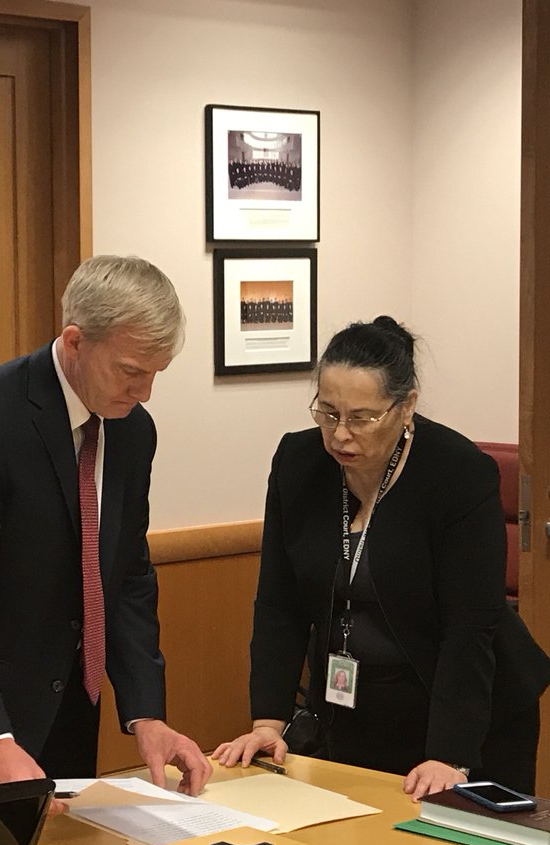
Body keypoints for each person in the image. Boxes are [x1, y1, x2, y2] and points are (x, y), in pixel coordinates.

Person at [0, 255, 212, 811]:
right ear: (75, 341)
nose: (145, 392)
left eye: (157, 373)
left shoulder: (132, 431)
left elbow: (125, 573)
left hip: (64, 711)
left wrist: (146, 714)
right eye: (131, 370)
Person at [214, 316, 550, 800]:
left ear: (406, 405)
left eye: (361, 417)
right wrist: (269, 721)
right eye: (328, 412)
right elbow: (279, 604)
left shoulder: (458, 474)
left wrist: (450, 755)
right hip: (351, 706)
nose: (340, 435)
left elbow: (470, 627)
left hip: (465, 715)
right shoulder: (298, 462)